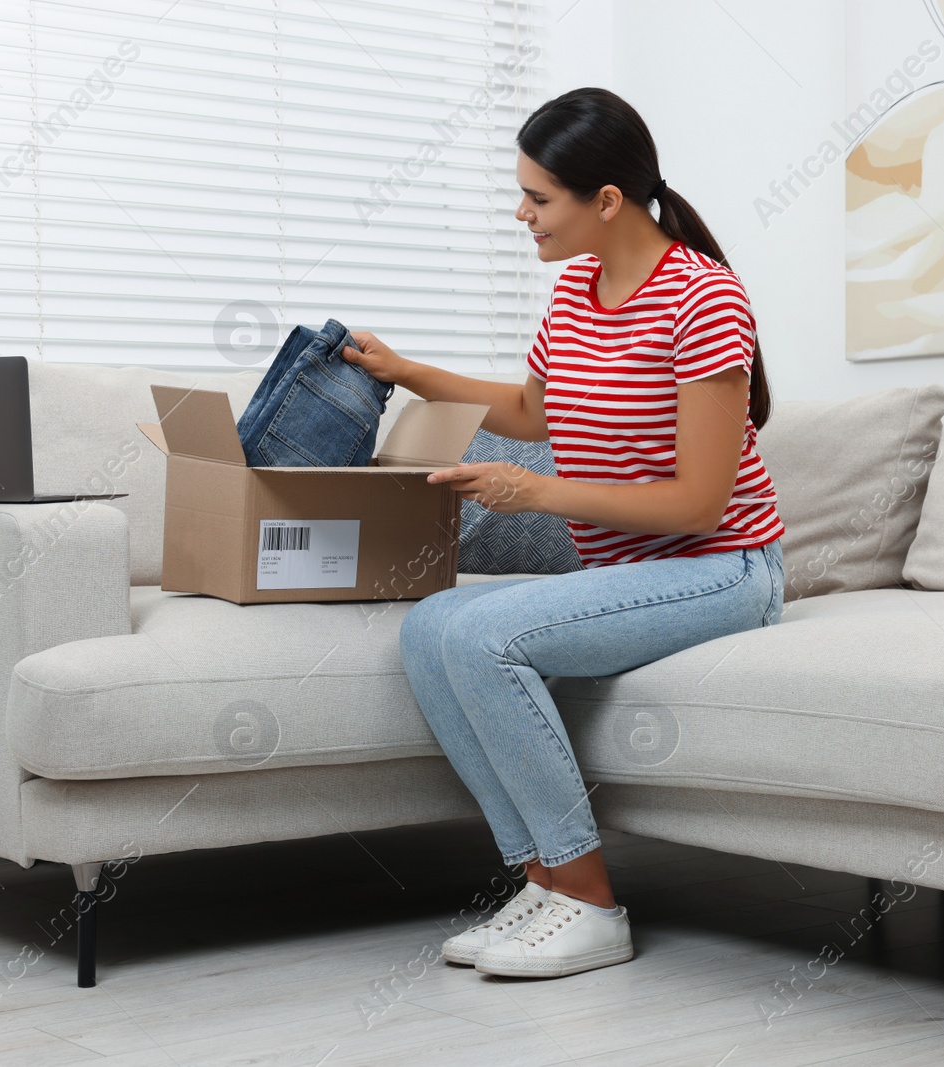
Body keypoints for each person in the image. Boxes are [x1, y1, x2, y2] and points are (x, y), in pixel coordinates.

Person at [339, 87, 786, 980]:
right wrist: (407, 371)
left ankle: (588, 900)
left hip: (722, 566)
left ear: (606, 200)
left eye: (538, 198)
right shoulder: (577, 289)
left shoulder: (704, 302)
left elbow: (701, 505)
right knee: (430, 627)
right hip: (633, 570)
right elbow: (535, 410)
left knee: (484, 632)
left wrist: (534, 494)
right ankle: (542, 882)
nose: (522, 213)